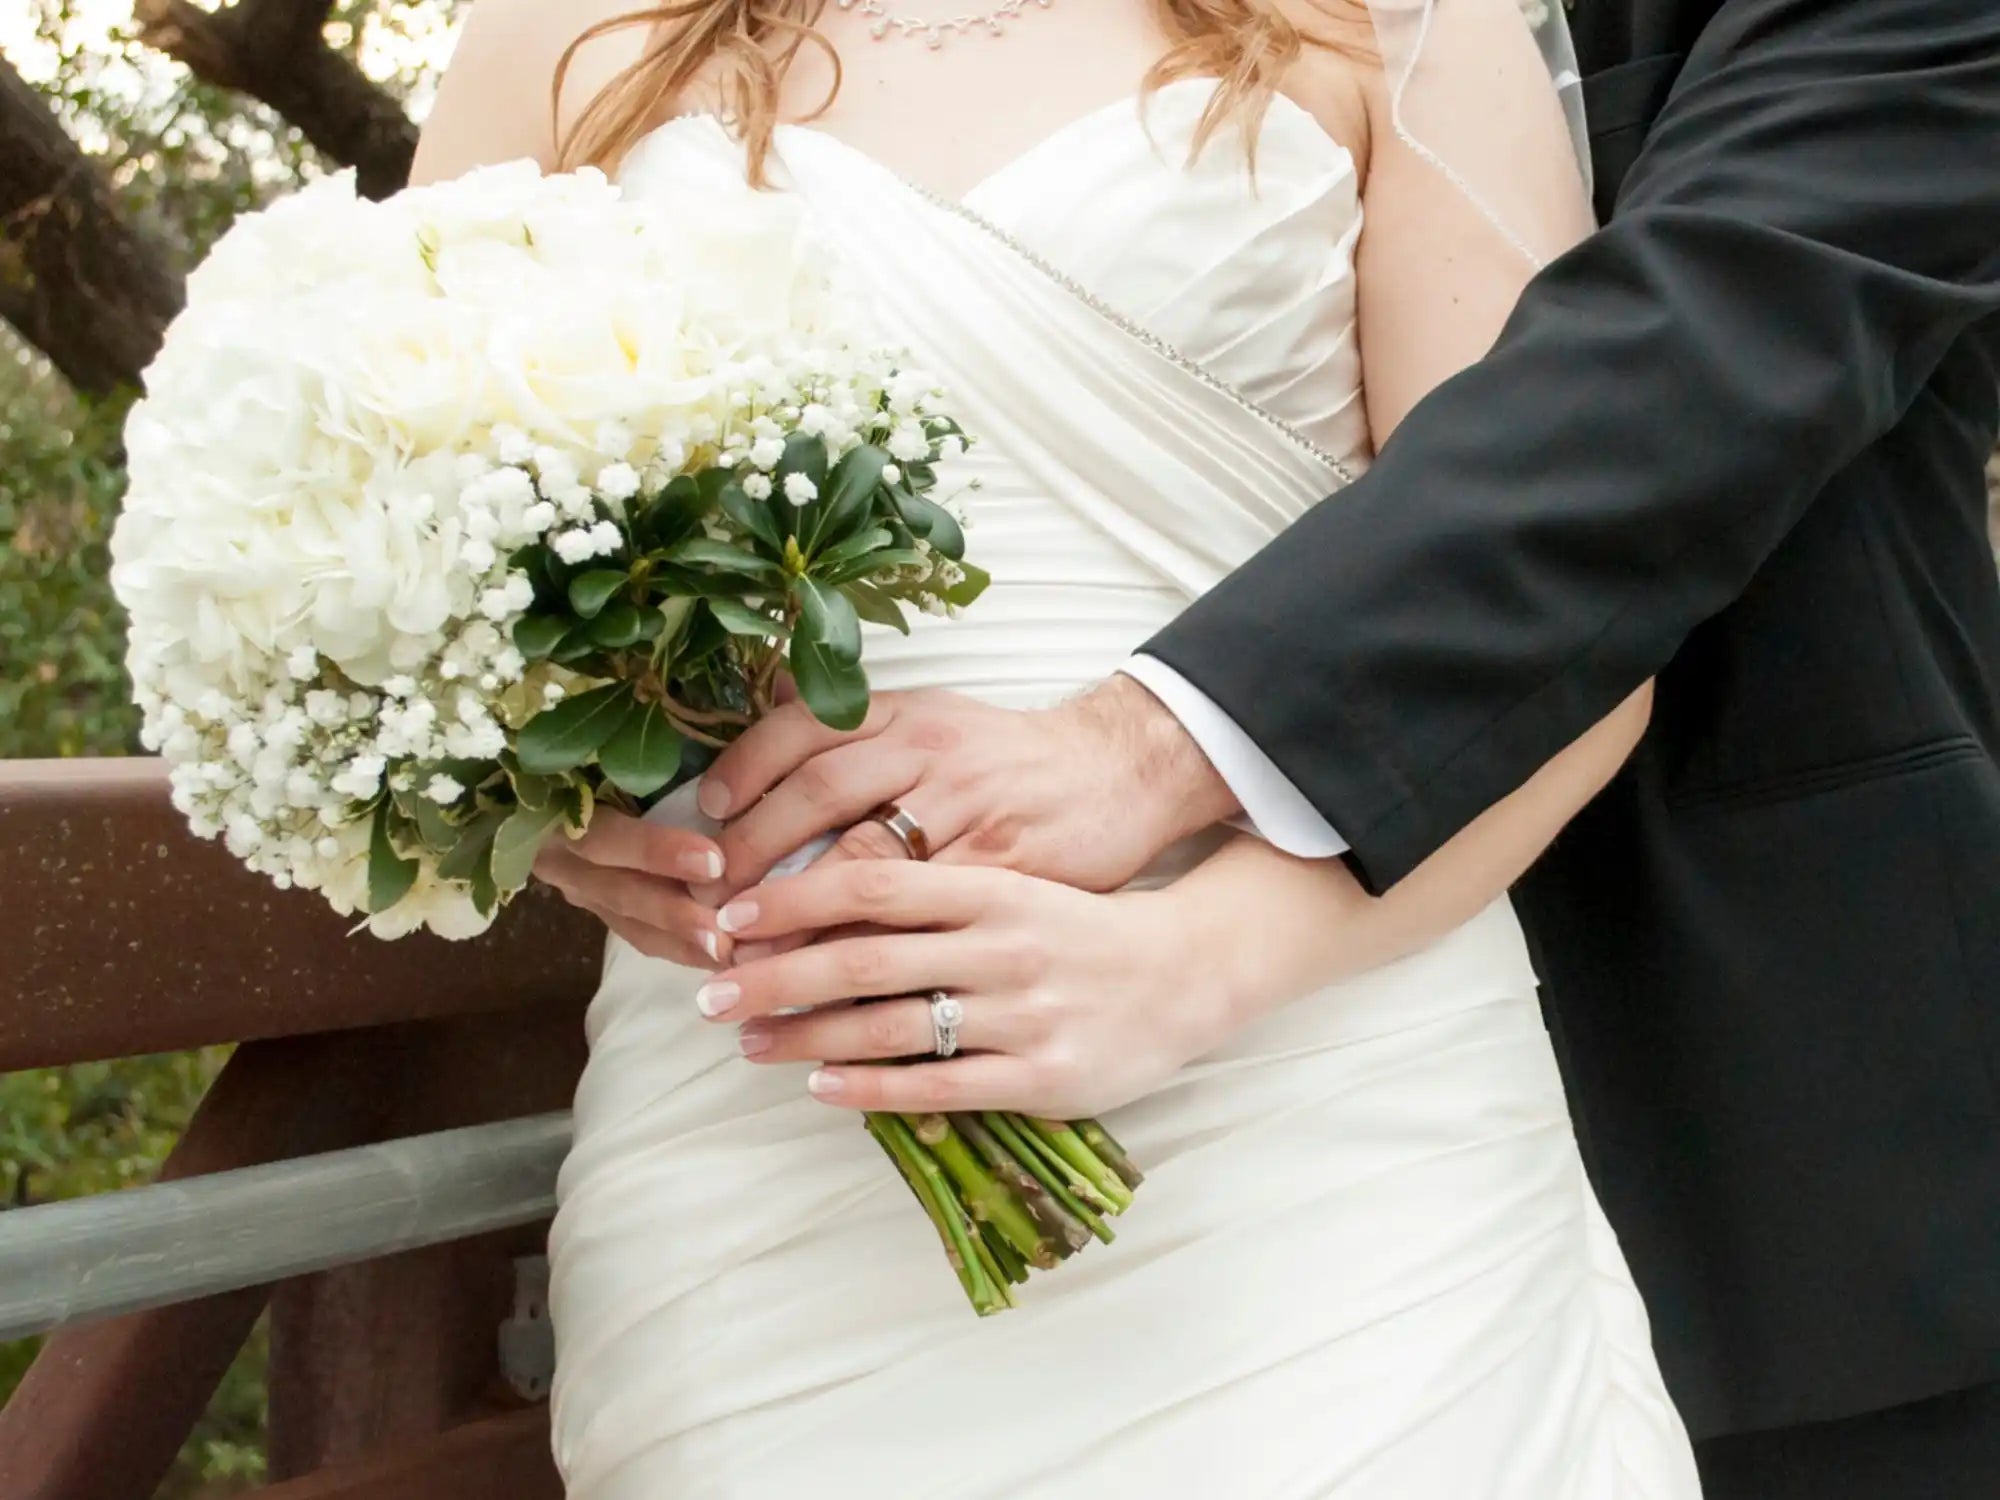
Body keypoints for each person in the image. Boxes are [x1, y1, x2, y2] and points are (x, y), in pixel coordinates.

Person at [536, 0, 2000, 1493]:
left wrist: (1190, 935)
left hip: (1377, 1104)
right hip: (758, 1157)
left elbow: (1629, 459)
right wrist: (559, 799)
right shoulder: (570, 35)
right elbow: (415, 543)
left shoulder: (1407, 27)